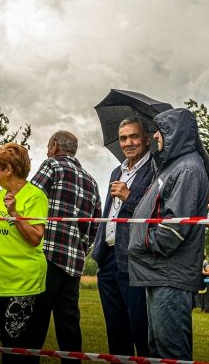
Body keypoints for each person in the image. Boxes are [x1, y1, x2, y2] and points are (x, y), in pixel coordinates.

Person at [128, 107, 209, 360]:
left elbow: (174, 227)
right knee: (158, 350)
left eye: (161, 130)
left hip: (169, 273)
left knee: (171, 351)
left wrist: (145, 241)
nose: (155, 136)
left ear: (176, 133)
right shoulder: (173, 166)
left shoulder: (187, 168)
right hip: (158, 272)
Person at [0, 142, 48, 364]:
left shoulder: (34, 196)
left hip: (23, 282)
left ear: (9, 169)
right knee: (7, 342)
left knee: (20, 348)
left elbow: (35, 238)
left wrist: (14, 213)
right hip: (1, 282)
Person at [30, 131, 101, 364]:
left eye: (48, 145)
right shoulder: (91, 181)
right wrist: (79, 250)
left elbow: (30, 199)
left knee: (35, 321)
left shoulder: (52, 166)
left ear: (54, 145)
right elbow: (94, 227)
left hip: (46, 255)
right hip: (74, 262)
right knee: (69, 323)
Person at [91, 118, 152, 357]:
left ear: (147, 139)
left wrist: (130, 196)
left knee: (139, 329)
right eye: (123, 138)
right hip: (108, 258)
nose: (128, 143)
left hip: (134, 259)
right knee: (116, 332)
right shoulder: (118, 170)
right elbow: (108, 212)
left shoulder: (154, 169)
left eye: (134, 136)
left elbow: (153, 212)